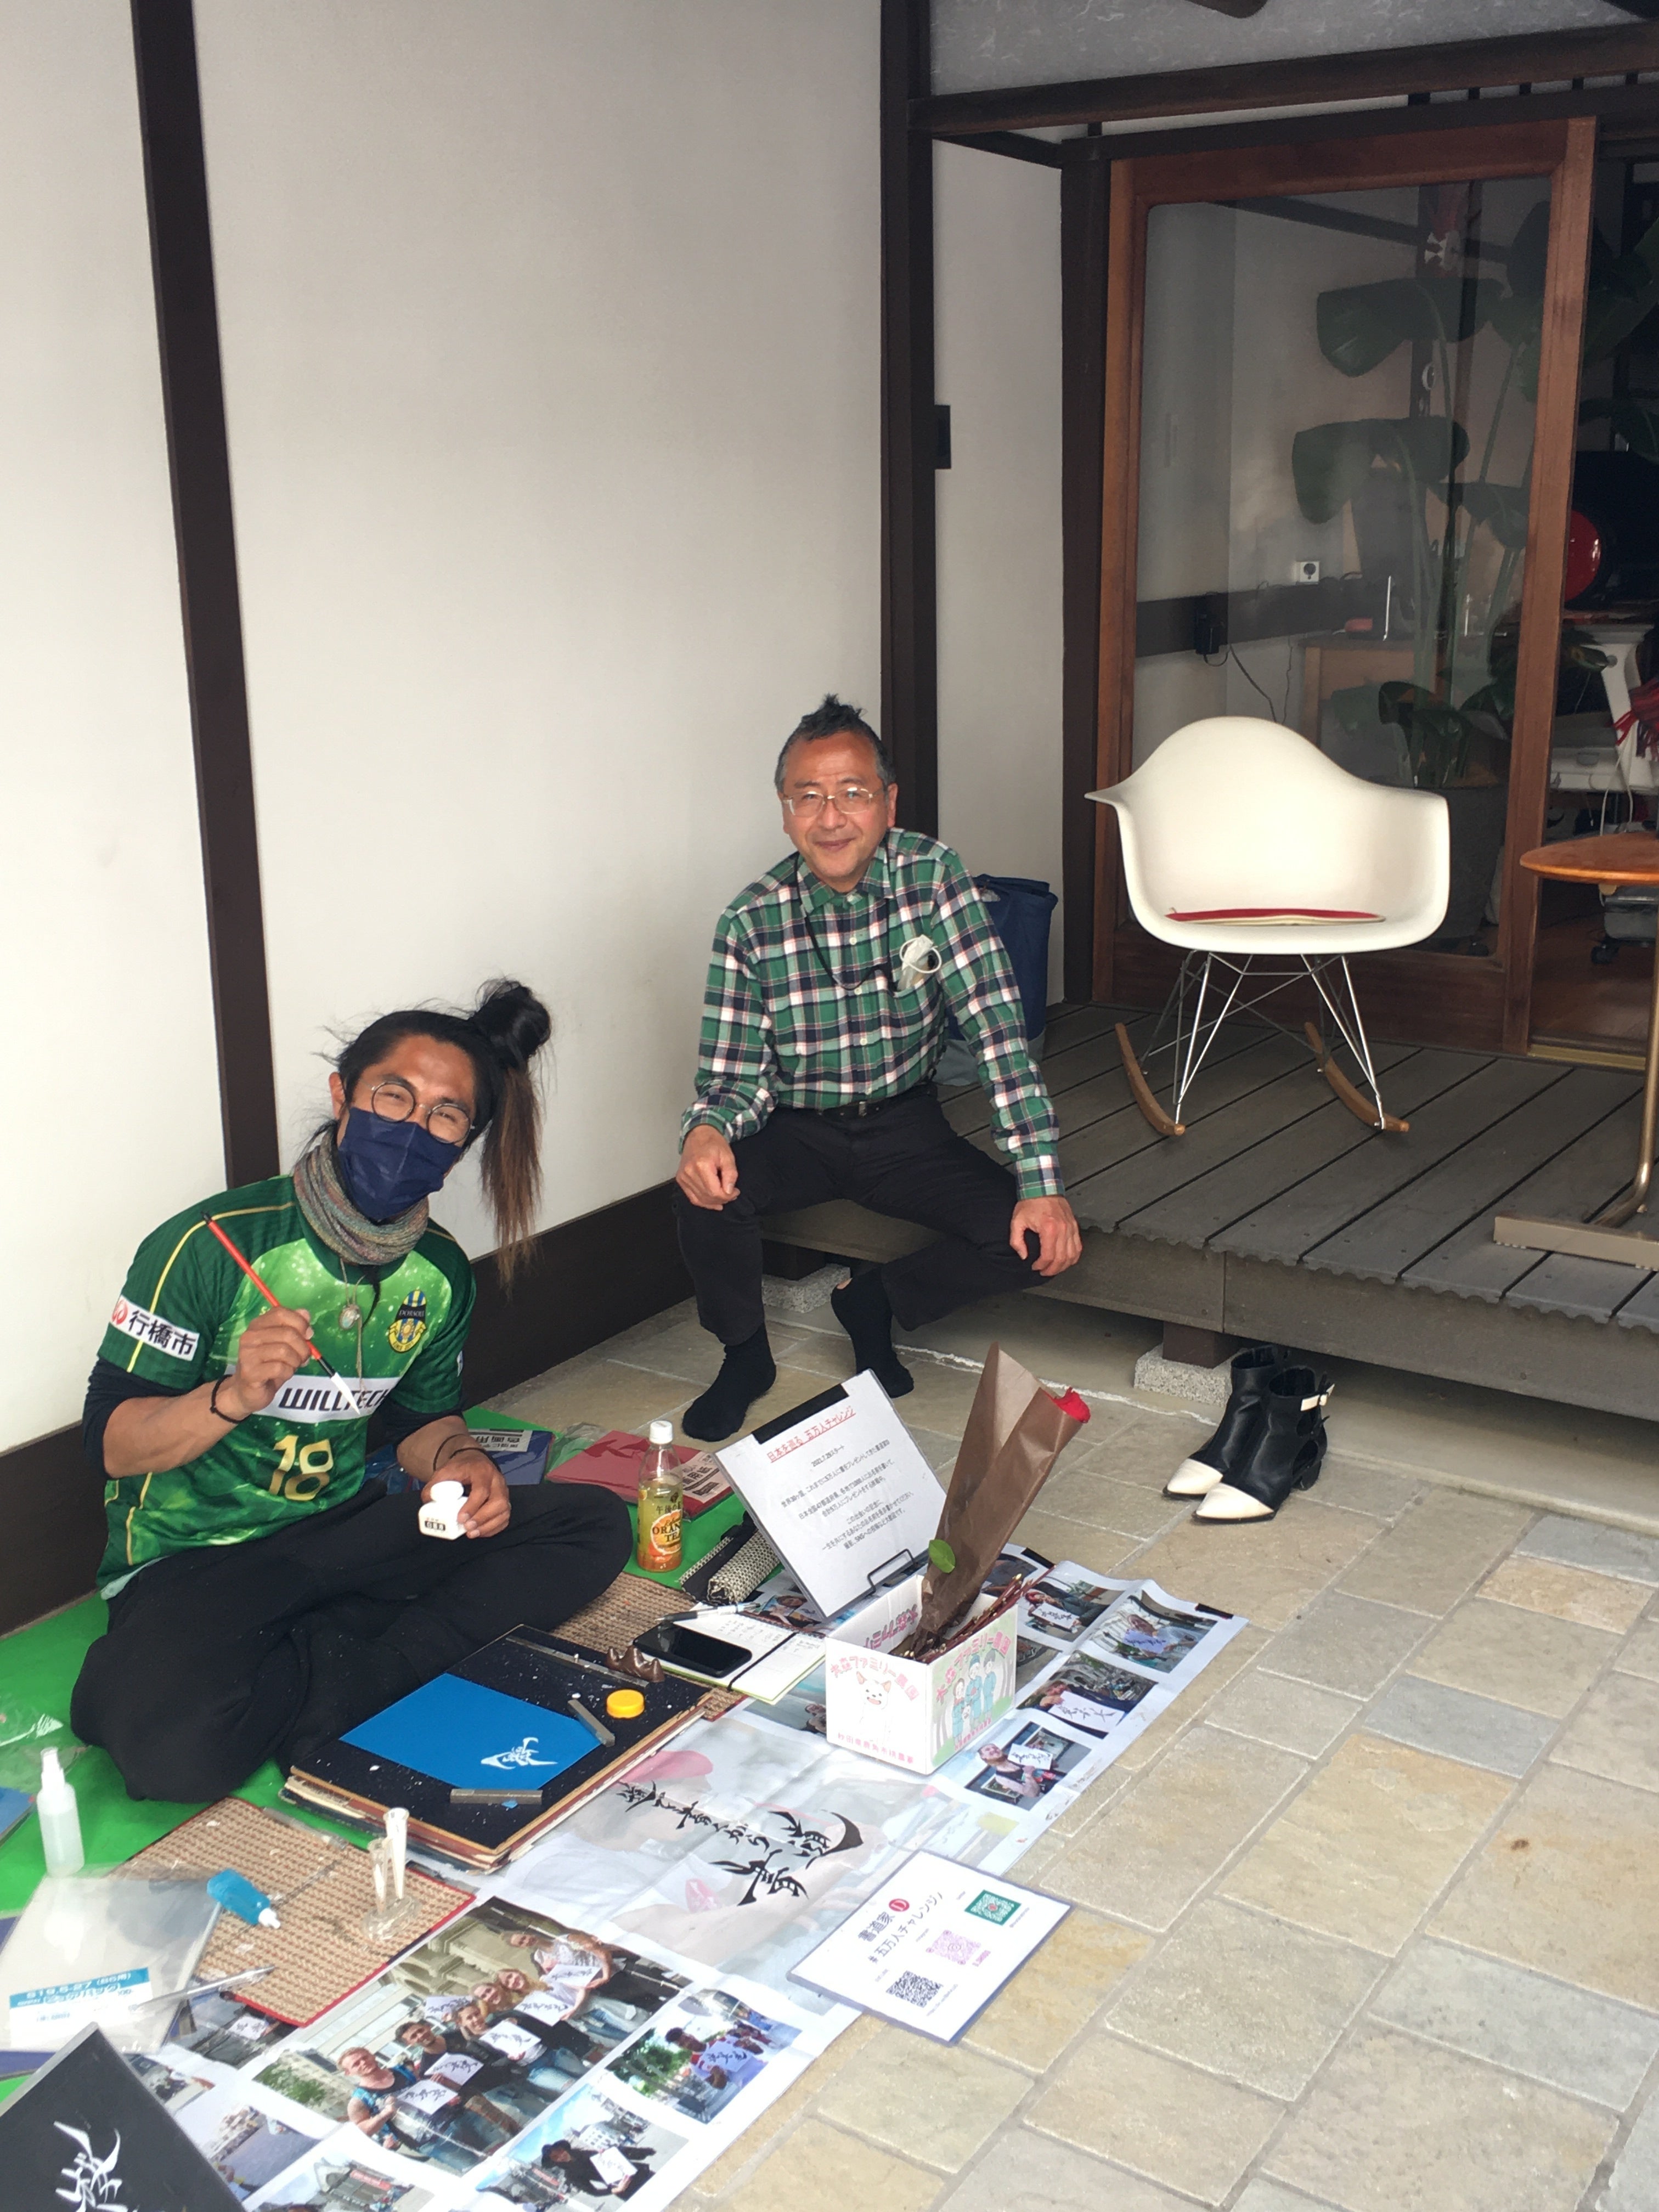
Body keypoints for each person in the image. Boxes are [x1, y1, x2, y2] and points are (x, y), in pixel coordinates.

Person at [71, 980, 633, 1802]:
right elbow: (112, 1447)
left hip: (337, 1534)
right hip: (197, 1562)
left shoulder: (439, 1271)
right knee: (169, 1757)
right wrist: (232, 1394)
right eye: (392, 1097)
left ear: (464, 1142)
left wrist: (460, 1460)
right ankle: (358, 1663)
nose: (414, 1127)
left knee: (592, 1525)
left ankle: (341, 1668)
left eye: (446, 1115)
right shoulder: (210, 1244)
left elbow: (420, 1422)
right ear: (343, 1097)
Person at [674, 695, 1082, 1440]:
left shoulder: (933, 877)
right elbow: (735, 1075)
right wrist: (706, 1130)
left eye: (853, 793)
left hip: (905, 1126)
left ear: (888, 804)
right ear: (785, 812)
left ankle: (875, 1300)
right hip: (797, 1128)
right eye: (808, 796)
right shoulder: (750, 920)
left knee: (1035, 1241)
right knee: (703, 1190)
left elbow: (996, 1030)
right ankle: (745, 1356)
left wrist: (1041, 1180)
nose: (831, 817)